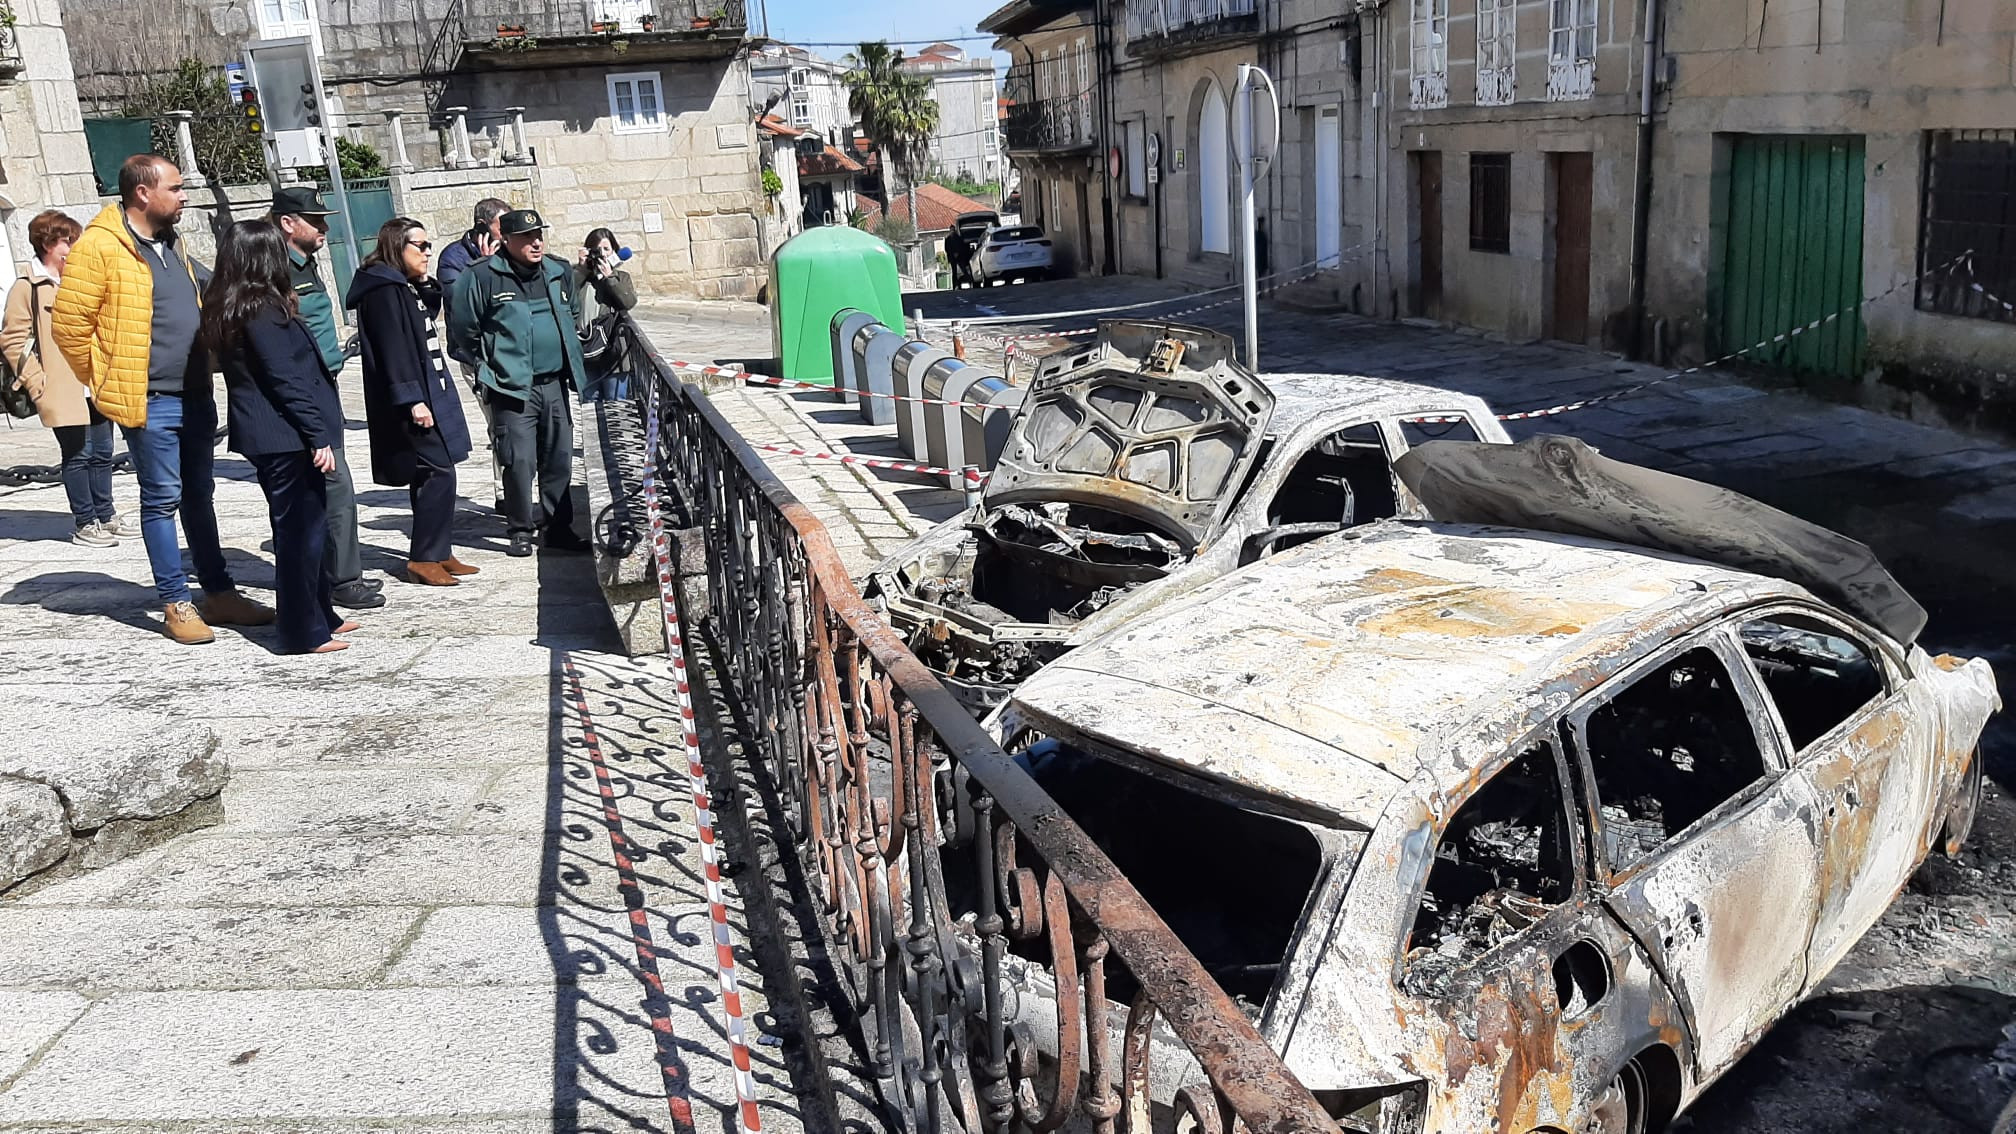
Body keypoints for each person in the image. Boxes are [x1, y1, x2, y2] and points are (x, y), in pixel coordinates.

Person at [51, 154, 274, 645]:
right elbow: (68, 326)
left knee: (201, 495)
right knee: (161, 501)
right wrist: (109, 379)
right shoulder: (100, 248)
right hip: (149, 400)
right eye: (175, 188)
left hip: (195, 392)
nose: (183, 195)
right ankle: (176, 602)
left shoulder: (172, 241)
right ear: (142, 193)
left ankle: (218, 594)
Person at [204, 220, 356, 655]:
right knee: (299, 537)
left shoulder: (238, 303)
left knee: (307, 530)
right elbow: (286, 378)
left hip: (276, 434)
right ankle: (300, 632)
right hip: (283, 436)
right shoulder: (259, 309)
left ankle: (321, 613)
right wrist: (317, 436)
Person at [447, 208, 591, 558]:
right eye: (527, 237)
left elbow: (570, 312)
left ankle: (558, 528)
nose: (536, 242)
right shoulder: (481, 277)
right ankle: (521, 529)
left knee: (558, 460)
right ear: (505, 240)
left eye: (539, 235)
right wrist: (492, 362)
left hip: (554, 383)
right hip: (510, 387)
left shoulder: (557, 271)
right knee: (518, 461)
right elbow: (464, 331)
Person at [271, 186, 383, 611]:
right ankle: (341, 579)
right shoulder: (275, 268)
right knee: (334, 486)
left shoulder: (306, 262)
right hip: (303, 389)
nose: (324, 227)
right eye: (315, 220)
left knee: (334, 487)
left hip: (324, 385)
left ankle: (337, 573)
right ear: (287, 223)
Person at [347, 217, 475, 587]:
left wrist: (422, 282)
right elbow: (393, 349)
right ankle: (422, 557)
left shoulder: (401, 284)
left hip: (426, 388)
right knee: (438, 471)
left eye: (428, 245)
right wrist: (413, 400)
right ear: (396, 247)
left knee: (432, 471)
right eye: (420, 246)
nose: (428, 252)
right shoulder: (383, 290)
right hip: (410, 399)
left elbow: (426, 315)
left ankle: (438, 550)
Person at [3, 210, 125, 547]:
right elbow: (13, 340)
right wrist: (36, 383)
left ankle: (106, 514)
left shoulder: (81, 280)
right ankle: (85, 523)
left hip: (95, 380)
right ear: (47, 244)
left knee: (103, 451)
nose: (72, 248)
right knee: (77, 454)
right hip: (61, 386)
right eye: (65, 241)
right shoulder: (27, 287)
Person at [440, 197, 510, 510]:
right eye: (501, 225)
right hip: (476, 357)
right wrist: (483, 267)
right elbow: (460, 301)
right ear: (483, 226)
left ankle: (523, 490)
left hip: (510, 352)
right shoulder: (454, 257)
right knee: (500, 424)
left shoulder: (508, 249)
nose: (506, 231)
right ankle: (504, 495)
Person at [573, 227, 637, 398]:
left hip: (613, 352)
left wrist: (610, 278)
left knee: (616, 405)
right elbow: (564, 295)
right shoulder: (577, 274)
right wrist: (581, 270)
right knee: (589, 404)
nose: (602, 254)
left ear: (615, 251)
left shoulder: (621, 277)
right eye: (597, 250)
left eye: (607, 249)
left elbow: (628, 302)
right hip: (585, 351)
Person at [436, 197, 510, 294]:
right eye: (502, 229)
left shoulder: (507, 248)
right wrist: (485, 267)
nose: (507, 235)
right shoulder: (452, 259)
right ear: (482, 227)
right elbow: (457, 299)